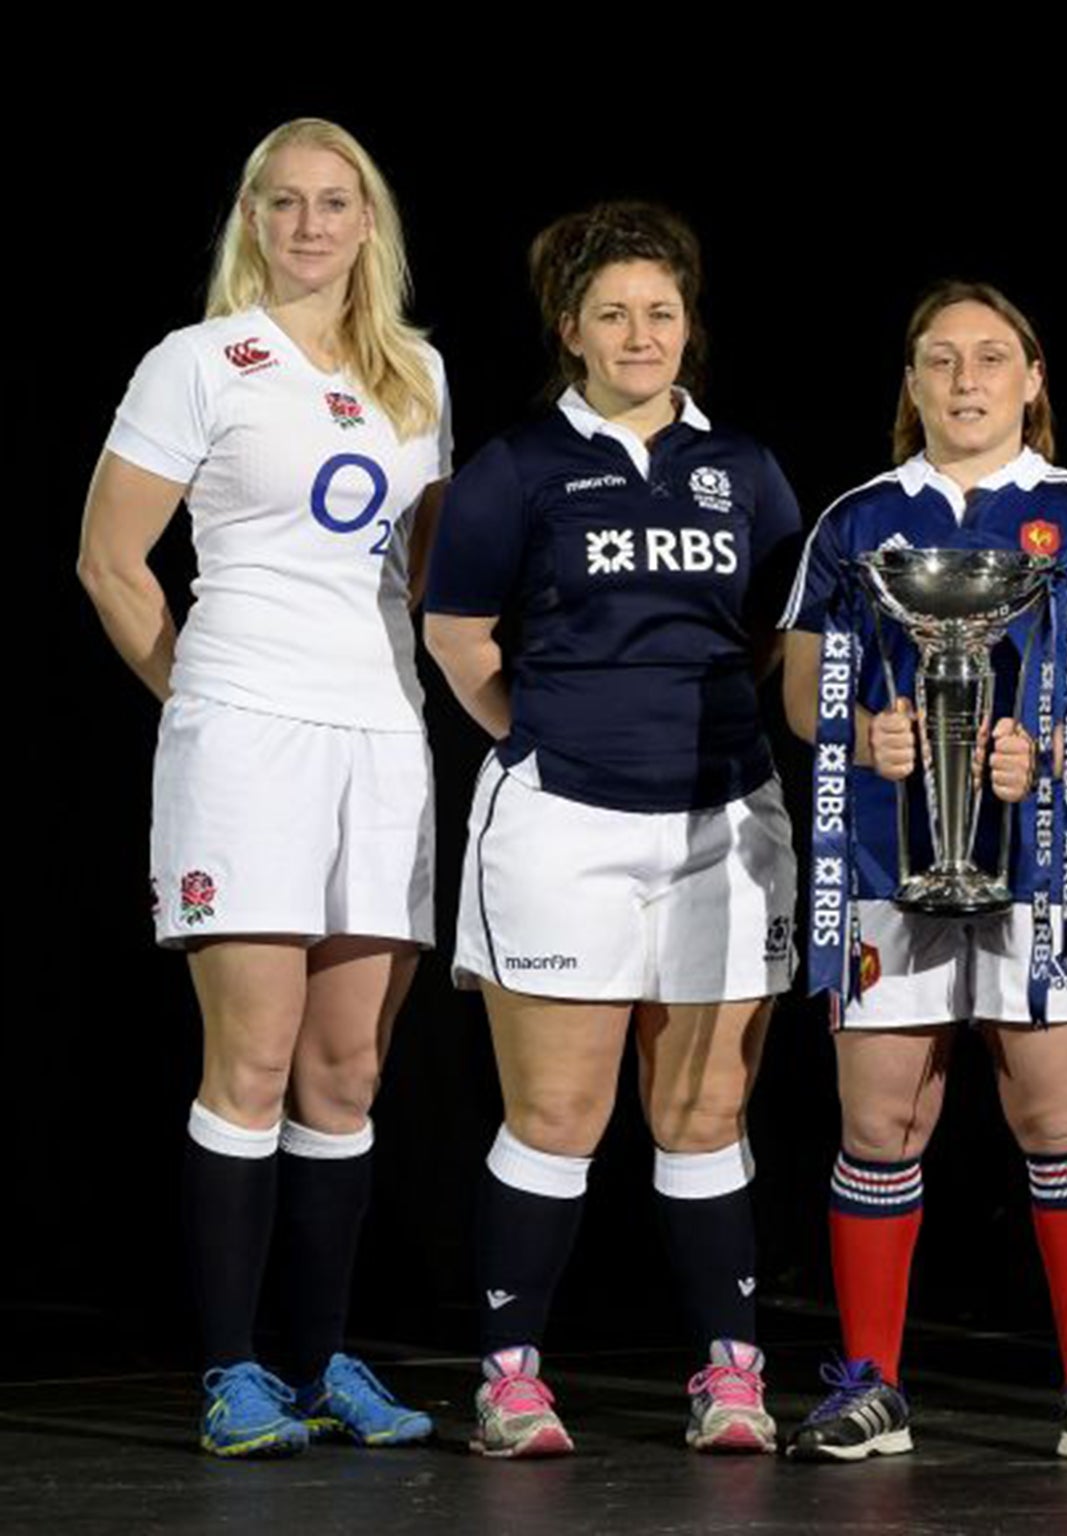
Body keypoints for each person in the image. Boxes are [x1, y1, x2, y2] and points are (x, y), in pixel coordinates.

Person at [77, 118, 447, 1457]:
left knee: (346, 1074)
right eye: (282, 203)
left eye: (333, 202)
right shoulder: (197, 363)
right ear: (249, 220)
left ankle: (319, 1360)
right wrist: (204, 701)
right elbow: (112, 561)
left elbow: (428, 578)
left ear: (368, 222)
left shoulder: (419, 374)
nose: (307, 225)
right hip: (248, 733)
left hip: (382, 741)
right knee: (251, 1056)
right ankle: (232, 1372)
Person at [423, 201, 803, 1459]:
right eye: (612, 314)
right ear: (568, 330)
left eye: (661, 311)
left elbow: (769, 639)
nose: (640, 334)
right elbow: (459, 635)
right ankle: (511, 1377)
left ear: (689, 327)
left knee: (703, 1112)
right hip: (561, 825)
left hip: (721, 820)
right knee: (560, 1113)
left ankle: (728, 1375)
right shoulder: (519, 467)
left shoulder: (745, 468)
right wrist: (542, 739)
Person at [779, 280, 1067, 1467]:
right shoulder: (856, 522)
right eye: (938, 360)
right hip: (882, 867)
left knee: (1057, 1117)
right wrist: (860, 734)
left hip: (1046, 862)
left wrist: (1047, 750)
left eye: (989, 358)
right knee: (880, 1119)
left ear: (1032, 378)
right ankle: (871, 1384)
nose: (963, 380)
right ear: (909, 384)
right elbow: (802, 691)